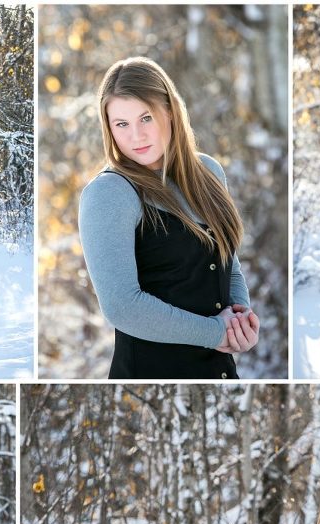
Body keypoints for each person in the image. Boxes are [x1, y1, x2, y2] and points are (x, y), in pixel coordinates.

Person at [79, 56, 261, 379]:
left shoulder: (209, 173)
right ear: (108, 128)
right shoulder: (110, 193)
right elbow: (122, 306)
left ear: (170, 112)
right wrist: (215, 333)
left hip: (218, 374)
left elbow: (227, 263)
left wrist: (239, 317)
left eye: (146, 118)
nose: (136, 135)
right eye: (121, 124)